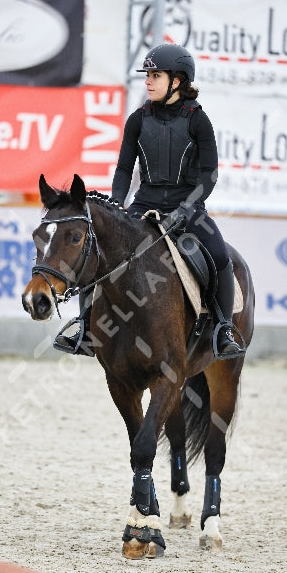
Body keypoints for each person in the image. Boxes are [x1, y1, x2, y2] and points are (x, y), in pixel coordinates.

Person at [54, 43, 244, 359]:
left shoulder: (199, 121)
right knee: (97, 252)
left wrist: (186, 210)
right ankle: (87, 328)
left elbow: (208, 176)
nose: (148, 81)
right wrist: (116, 201)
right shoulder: (138, 119)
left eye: (155, 75)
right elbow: (124, 168)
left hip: (189, 209)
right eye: (148, 76)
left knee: (221, 258)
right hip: (144, 205)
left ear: (178, 81)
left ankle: (223, 328)